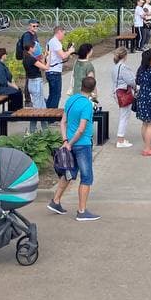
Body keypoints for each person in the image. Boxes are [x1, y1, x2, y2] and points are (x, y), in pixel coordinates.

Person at [48, 76, 100, 220]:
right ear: (93, 89)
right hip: (82, 145)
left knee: (69, 173)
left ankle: (56, 201)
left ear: (81, 86)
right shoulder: (87, 105)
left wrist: (66, 140)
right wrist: (70, 143)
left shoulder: (71, 100)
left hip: (69, 144)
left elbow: (63, 122)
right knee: (86, 177)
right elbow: (82, 129)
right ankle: (82, 211)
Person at [110, 47, 136, 149]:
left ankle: (121, 138)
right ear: (125, 56)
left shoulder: (115, 67)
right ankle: (120, 140)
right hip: (124, 92)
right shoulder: (123, 67)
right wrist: (136, 87)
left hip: (117, 92)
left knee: (123, 115)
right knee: (124, 116)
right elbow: (130, 81)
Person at [45, 25, 75, 109]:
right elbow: (63, 56)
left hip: (51, 70)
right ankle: (52, 118)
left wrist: (68, 54)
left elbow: (61, 56)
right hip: (54, 72)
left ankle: (47, 115)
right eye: (63, 34)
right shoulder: (55, 42)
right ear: (59, 32)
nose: (64, 36)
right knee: (56, 95)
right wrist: (70, 51)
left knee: (52, 94)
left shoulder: (51, 41)